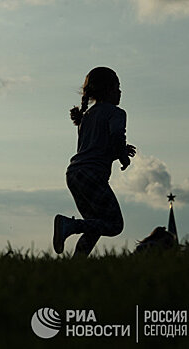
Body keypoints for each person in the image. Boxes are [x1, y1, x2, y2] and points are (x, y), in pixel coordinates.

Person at [54, 67, 136, 256]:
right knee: (114, 224)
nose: (120, 92)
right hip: (92, 175)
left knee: (95, 224)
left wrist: (119, 152)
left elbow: (95, 149)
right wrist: (122, 155)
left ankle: (77, 263)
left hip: (74, 174)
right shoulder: (116, 113)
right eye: (117, 87)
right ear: (108, 90)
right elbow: (116, 135)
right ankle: (70, 225)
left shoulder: (87, 117)